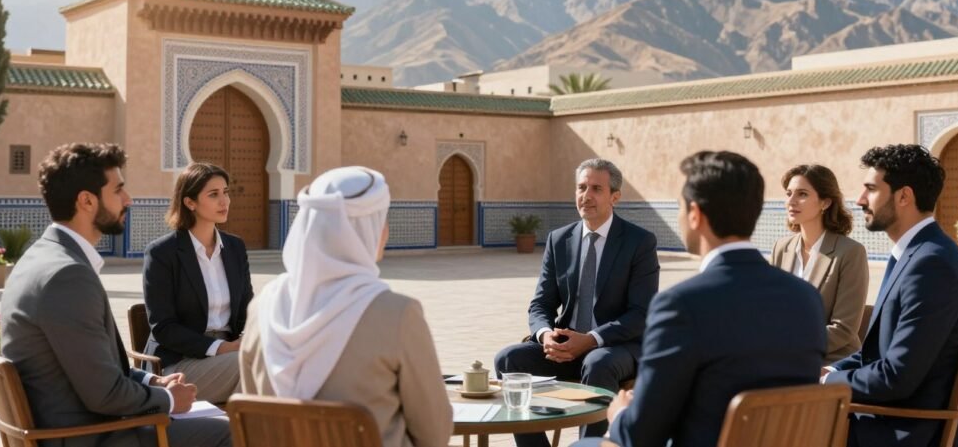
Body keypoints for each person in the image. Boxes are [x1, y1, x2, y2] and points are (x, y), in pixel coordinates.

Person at [0, 143, 230, 447]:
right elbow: (105, 395)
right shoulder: (67, 276)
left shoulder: (42, 257)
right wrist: (170, 399)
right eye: (118, 190)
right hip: (92, 437)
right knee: (235, 432)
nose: (128, 199)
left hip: (86, 427)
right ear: (87, 201)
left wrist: (152, 380)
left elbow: (96, 370)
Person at [592, 151, 825, 447]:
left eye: (679, 206)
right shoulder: (807, 298)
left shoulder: (680, 305)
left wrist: (620, 414)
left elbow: (641, 435)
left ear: (695, 214)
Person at [240, 166, 452, 447]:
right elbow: (434, 433)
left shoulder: (262, 308)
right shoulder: (397, 315)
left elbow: (253, 417)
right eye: (381, 220)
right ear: (367, 231)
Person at [824, 144, 958, 447]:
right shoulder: (919, 253)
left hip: (900, 431)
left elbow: (896, 377)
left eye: (871, 189)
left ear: (904, 196)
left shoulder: (931, 265)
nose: (860, 200)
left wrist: (826, 383)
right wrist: (832, 370)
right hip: (893, 421)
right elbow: (880, 353)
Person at [495, 158, 659, 446]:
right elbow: (541, 304)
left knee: (597, 362)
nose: (586, 195)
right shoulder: (559, 240)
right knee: (508, 359)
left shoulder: (639, 242)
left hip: (615, 348)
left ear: (615, 197)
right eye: (581, 187)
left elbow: (641, 313)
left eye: (596, 188)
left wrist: (592, 339)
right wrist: (545, 335)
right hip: (565, 347)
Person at [142, 162, 254, 403]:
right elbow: (163, 327)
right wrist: (220, 348)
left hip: (230, 356)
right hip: (180, 365)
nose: (224, 201)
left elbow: (249, 308)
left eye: (226, 192)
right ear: (190, 202)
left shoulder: (235, 247)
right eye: (213, 194)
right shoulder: (162, 253)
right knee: (257, 365)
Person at [770, 164, 870, 363]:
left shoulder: (850, 252)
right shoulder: (781, 248)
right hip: (782, 358)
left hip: (831, 361)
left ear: (825, 202)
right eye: (789, 193)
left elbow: (843, 329)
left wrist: (790, 347)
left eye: (802, 194)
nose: (791, 201)